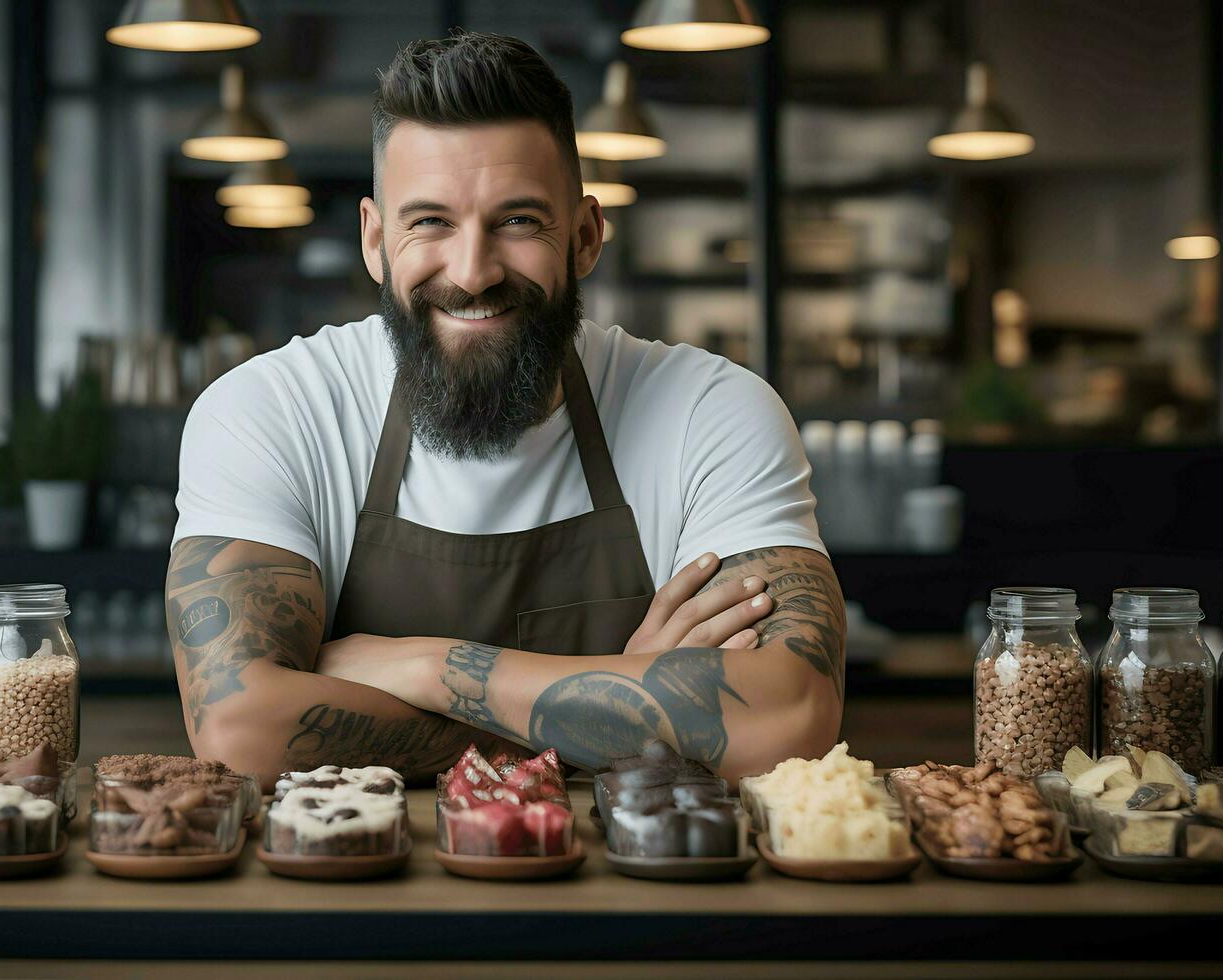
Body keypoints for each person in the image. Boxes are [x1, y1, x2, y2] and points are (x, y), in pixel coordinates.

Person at [168, 31, 843, 785]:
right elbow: (240, 732)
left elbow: (789, 721)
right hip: (352, 887)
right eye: (429, 222)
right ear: (373, 240)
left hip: (633, 890)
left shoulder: (710, 412)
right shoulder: (272, 410)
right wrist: (617, 699)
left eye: (517, 220)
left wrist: (423, 667)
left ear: (584, 237)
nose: (472, 271)